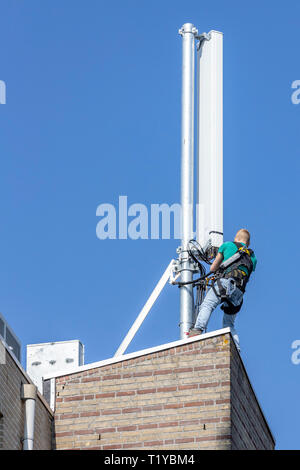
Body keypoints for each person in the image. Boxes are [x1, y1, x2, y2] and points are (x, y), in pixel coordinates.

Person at [188, 229, 257, 352]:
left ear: (236, 238)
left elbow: (213, 267)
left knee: (208, 304)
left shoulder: (227, 245)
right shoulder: (252, 257)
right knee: (229, 323)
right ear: (248, 243)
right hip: (239, 291)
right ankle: (235, 348)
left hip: (225, 283)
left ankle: (197, 330)